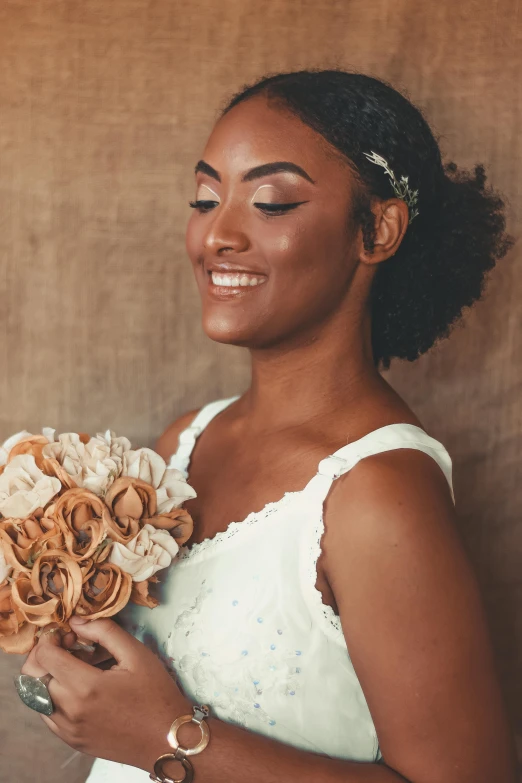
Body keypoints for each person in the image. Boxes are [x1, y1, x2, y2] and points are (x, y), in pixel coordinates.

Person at [21, 70, 516, 783]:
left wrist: (168, 734)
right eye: (204, 197)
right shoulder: (184, 443)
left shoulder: (377, 495)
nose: (217, 234)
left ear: (377, 230)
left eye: (271, 202)